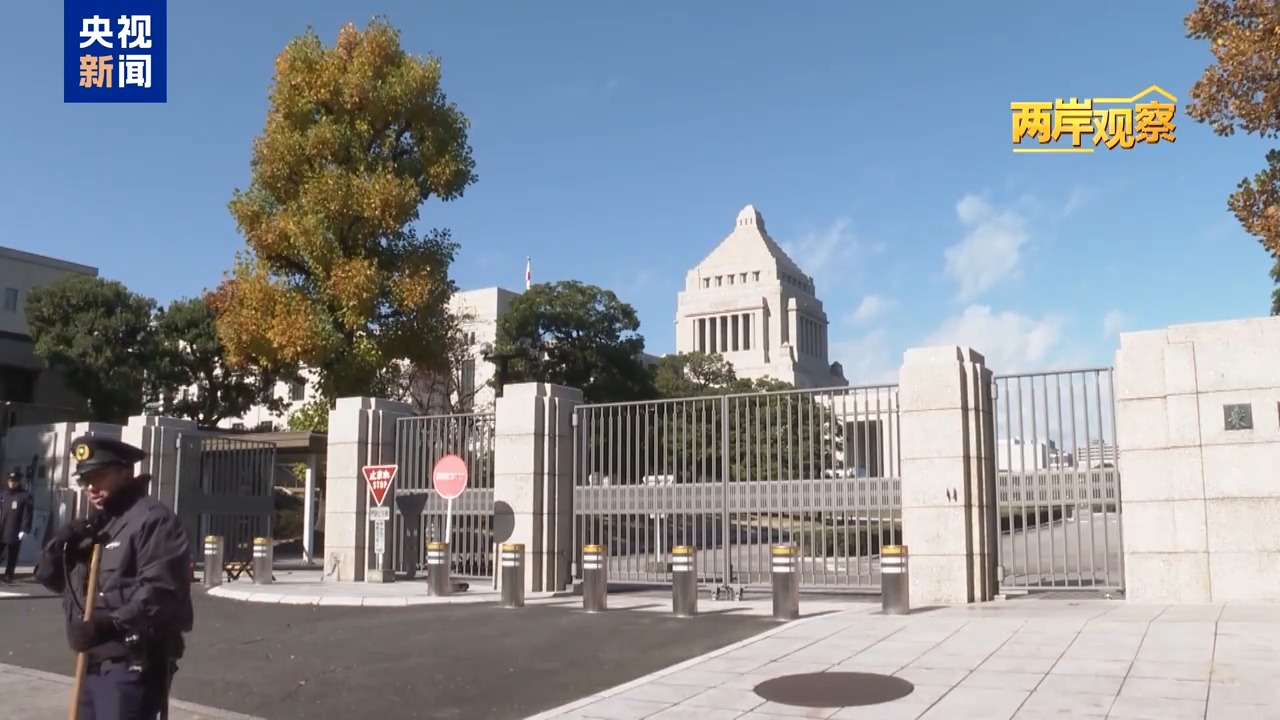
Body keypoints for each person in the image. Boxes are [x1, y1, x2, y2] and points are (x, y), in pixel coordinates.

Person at [35, 436, 195, 720]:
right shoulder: (96, 525)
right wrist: (58, 547)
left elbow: (162, 590)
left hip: (131, 664)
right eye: (85, 480)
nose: (91, 487)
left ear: (125, 472)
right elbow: (52, 580)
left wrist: (109, 625)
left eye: (99, 477)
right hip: (90, 662)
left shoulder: (153, 520)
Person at [0, 470, 34, 583]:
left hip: (14, 529)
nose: (12, 483)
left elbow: (27, 514)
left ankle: (9, 574)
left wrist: (24, 529)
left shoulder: (25, 496)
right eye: (10, 481)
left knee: (12, 554)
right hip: (2, 528)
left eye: (14, 481)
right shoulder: (4, 494)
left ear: (19, 482)